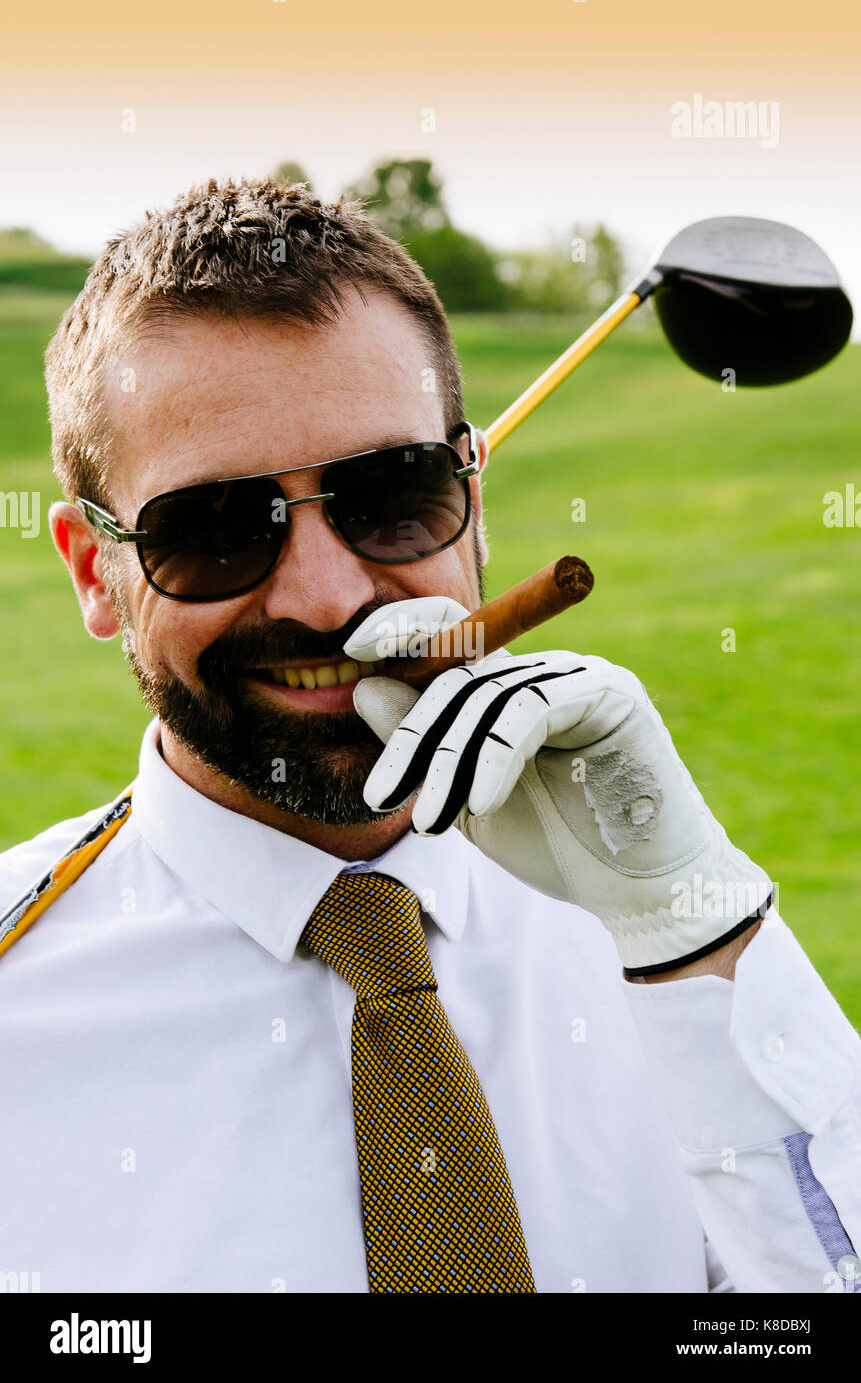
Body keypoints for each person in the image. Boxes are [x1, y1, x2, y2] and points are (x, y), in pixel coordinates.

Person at [1, 178, 858, 1295]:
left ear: (472, 497)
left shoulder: (653, 939)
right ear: (92, 571)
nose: (324, 595)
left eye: (391, 493)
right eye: (212, 528)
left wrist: (695, 936)